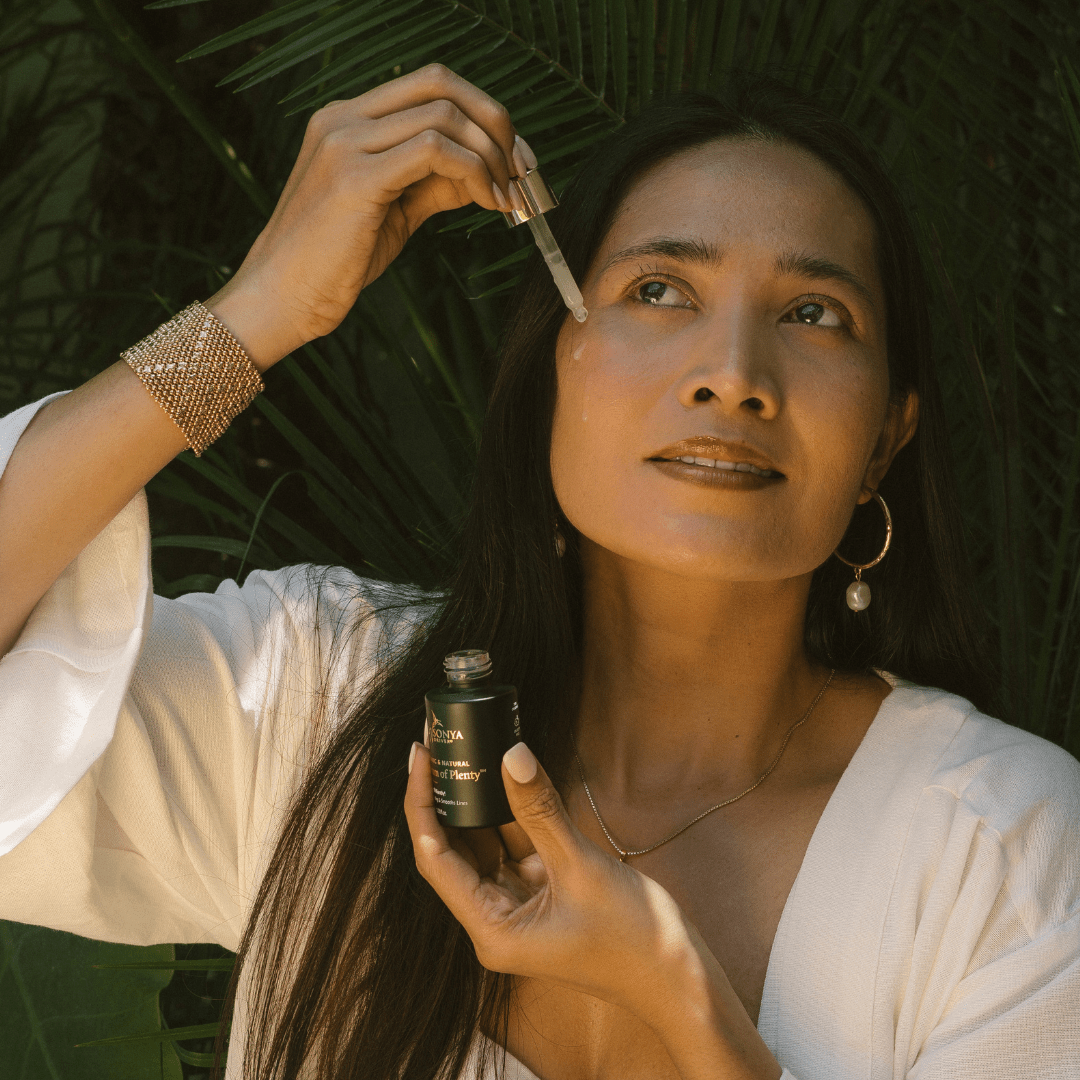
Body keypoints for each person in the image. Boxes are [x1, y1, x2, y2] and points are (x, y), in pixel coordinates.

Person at [0, 63, 1077, 1080]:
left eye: (812, 314)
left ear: (886, 440)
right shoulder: (315, 700)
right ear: (554, 365)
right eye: (660, 289)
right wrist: (254, 316)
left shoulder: (1009, 856)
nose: (732, 374)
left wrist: (674, 1001)